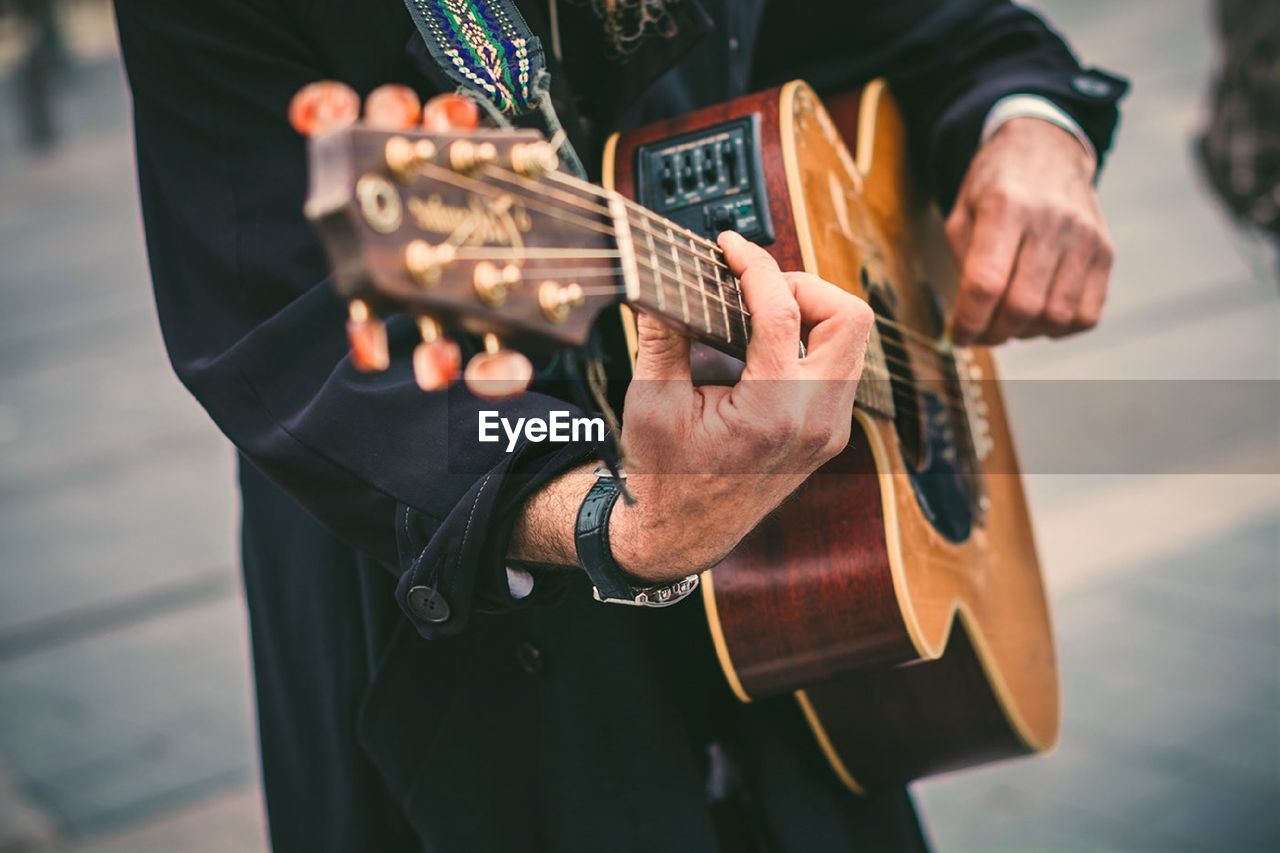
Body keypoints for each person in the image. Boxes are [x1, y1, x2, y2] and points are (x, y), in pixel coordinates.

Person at [112, 1, 1125, 850]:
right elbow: (280, 332)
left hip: (805, 601)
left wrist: (1028, 125)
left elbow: (921, 27)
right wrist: (612, 522)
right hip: (443, 589)